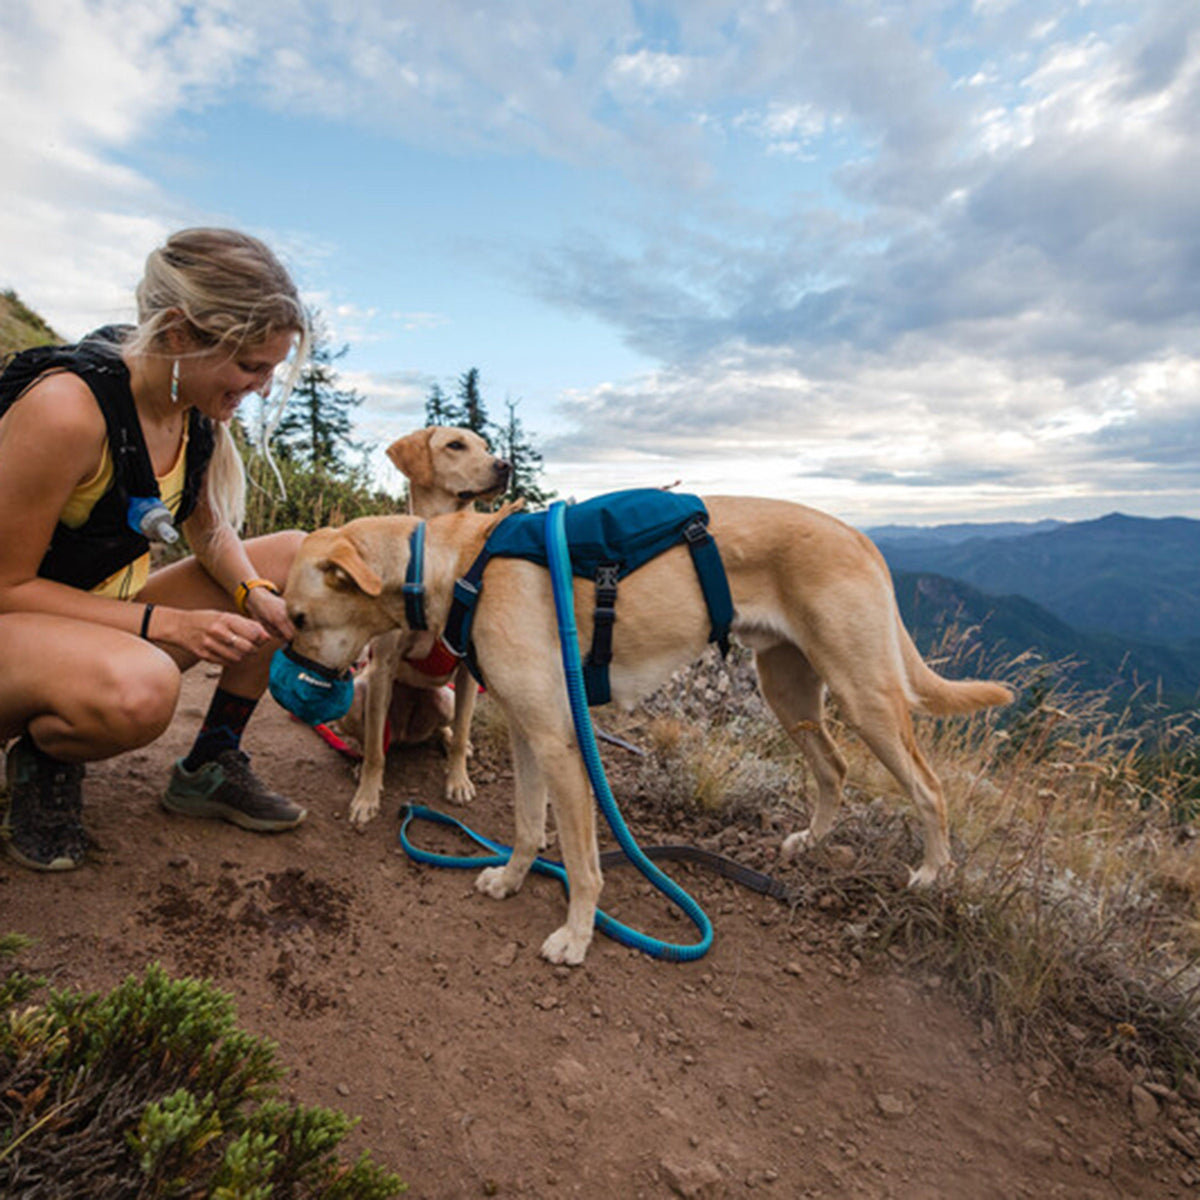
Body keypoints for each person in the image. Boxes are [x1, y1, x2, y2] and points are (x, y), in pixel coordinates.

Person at [0, 227, 312, 872]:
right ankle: (47, 755)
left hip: (89, 612)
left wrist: (253, 593)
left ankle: (210, 764)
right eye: (250, 365)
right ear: (176, 333)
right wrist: (166, 624)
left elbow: (207, 527)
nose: (259, 386)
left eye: (271, 369)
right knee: (143, 687)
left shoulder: (189, 403)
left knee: (294, 560)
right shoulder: (67, 411)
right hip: (15, 623)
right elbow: (5, 587)